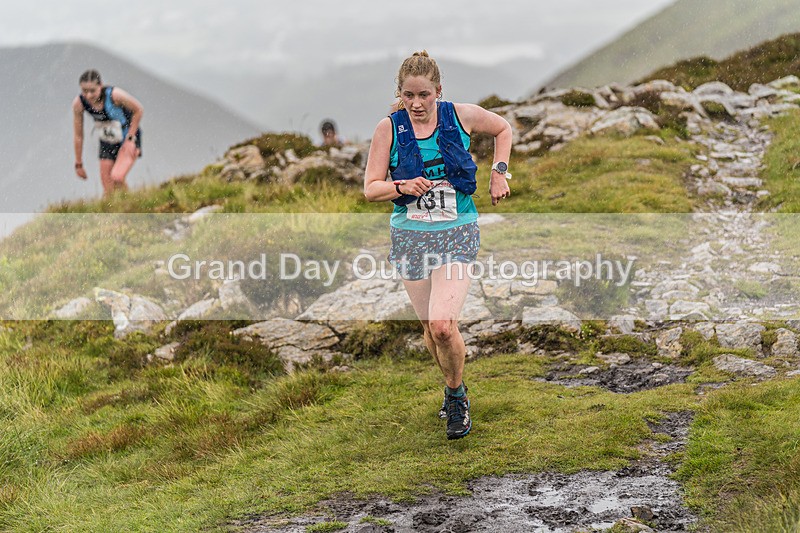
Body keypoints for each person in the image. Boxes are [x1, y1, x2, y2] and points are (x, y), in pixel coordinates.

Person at [363, 51, 512, 440]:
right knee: (430, 328)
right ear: (400, 93)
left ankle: (456, 396)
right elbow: (370, 188)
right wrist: (401, 186)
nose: (416, 103)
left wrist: (499, 173)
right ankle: (452, 385)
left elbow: (503, 129)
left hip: (457, 230)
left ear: (438, 92)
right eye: (408, 95)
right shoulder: (389, 129)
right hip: (410, 235)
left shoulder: (461, 115)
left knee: (444, 326)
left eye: (424, 95)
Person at [72, 69, 143, 196]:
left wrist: (130, 139)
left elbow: (138, 110)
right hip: (107, 141)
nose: (88, 96)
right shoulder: (79, 103)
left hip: (128, 137)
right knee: (107, 185)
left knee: (117, 177)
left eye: (92, 91)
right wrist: (78, 163)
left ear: (101, 85)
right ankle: (116, 211)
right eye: (84, 91)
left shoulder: (115, 95)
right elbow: (78, 135)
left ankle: (135, 205)